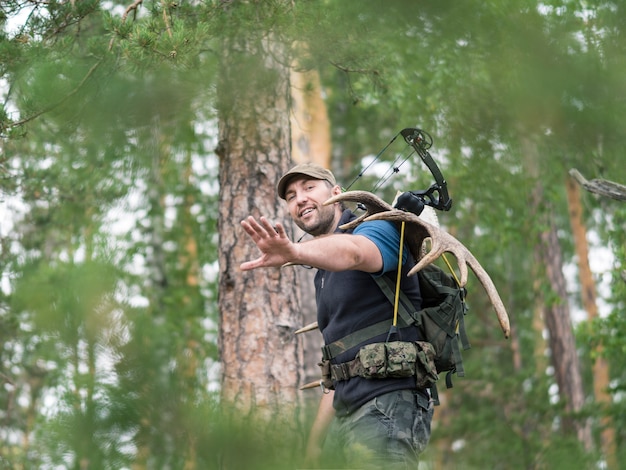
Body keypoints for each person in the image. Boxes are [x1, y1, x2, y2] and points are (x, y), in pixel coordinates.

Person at [240, 162, 434, 469]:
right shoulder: (323, 273)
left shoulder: (378, 228)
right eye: (290, 196)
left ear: (337, 193)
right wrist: (314, 448)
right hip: (349, 418)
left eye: (309, 187)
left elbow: (355, 251)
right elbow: (339, 369)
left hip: (388, 404)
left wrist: (295, 253)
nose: (299, 198)